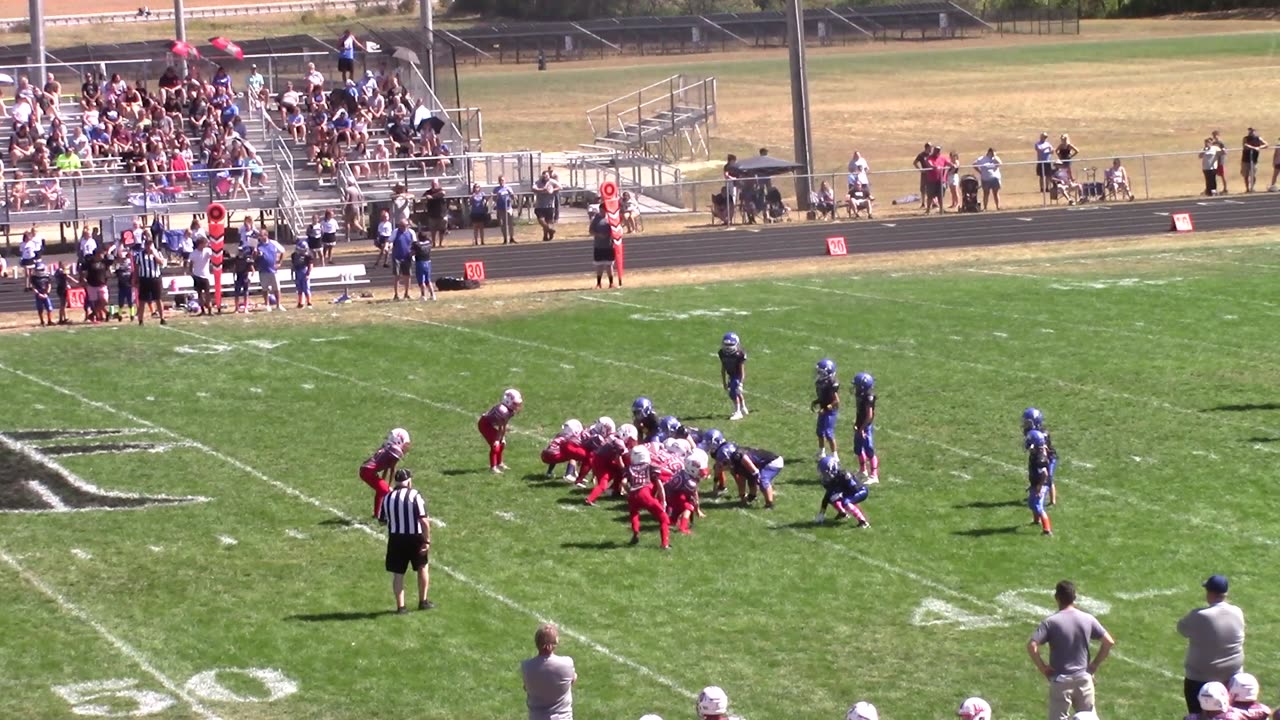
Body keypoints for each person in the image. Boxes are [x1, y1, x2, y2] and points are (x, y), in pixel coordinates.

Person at [1027, 580, 1116, 720]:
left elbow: (1032, 646)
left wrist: (1043, 668)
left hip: (1061, 681)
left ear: (1057, 598)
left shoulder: (1051, 622)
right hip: (1084, 679)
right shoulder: (1088, 618)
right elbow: (1108, 642)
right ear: (1074, 597)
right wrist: (1093, 666)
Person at [1178, 574, 1246, 714]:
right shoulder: (1237, 611)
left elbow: (1182, 629)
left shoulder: (1200, 615)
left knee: (1198, 714)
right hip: (1232, 676)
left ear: (1210, 593)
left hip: (1201, 677)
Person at [378, 468, 434, 614]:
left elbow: (382, 521)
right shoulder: (415, 495)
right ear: (408, 481)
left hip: (396, 538)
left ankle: (401, 607)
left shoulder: (388, 497)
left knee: (398, 573)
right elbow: (424, 521)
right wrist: (427, 540)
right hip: (415, 537)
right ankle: (423, 601)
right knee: (422, 567)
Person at [521, 624, 576, 720]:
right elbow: (573, 679)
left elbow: (526, 687)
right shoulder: (566, 663)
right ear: (556, 642)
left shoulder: (527, 666)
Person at [624, 445, 671, 549]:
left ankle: (636, 531)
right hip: (644, 492)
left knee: (634, 513)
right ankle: (665, 544)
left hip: (633, 493)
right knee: (664, 518)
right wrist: (663, 500)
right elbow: (659, 485)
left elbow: (623, 482)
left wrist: (629, 491)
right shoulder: (650, 467)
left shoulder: (629, 468)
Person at [714, 442, 782, 509]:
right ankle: (752, 496)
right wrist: (742, 496)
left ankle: (769, 504)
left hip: (773, 462)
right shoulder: (734, 460)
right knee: (749, 476)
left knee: (762, 480)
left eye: (724, 462)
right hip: (761, 464)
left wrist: (758, 481)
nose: (723, 465)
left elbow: (755, 472)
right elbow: (741, 480)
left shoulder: (740, 456)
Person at [361, 428, 411, 520]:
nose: (407, 445)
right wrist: (389, 485)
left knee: (382, 490)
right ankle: (382, 515)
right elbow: (392, 468)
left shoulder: (388, 447)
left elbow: (386, 467)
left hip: (366, 469)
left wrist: (384, 482)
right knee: (385, 491)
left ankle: (377, 514)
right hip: (368, 471)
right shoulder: (396, 451)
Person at [814, 456, 870, 527]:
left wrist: (842, 494)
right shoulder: (831, 480)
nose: (824, 476)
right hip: (849, 492)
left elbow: (854, 489)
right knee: (832, 498)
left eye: (825, 474)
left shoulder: (844, 475)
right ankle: (842, 513)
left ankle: (863, 521)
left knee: (846, 501)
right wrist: (822, 513)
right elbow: (827, 497)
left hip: (861, 491)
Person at [479, 389, 522, 474]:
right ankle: (493, 467)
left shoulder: (509, 410)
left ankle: (499, 463)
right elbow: (500, 426)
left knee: (501, 444)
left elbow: (504, 425)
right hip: (485, 425)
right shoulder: (502, 410)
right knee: (495, 446)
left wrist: (502, 438)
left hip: (492, 424)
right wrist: (497, 439)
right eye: (515, 404)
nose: (517, 406)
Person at [132, 234, 167, 326]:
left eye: (150, 244)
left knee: (158, 299)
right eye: (147, 244)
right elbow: (136, 268)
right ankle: (141, 320)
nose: (149, 246)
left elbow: (162, 263)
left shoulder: (157, 253)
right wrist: (135, 279)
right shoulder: (139, 255)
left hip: (155, 278)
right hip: (144, 279)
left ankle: (162, 318)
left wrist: (154, 255)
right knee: (142, 300)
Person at [812, 358, 840, 462]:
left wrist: (826, 408)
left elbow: (836, 401)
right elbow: (823, 396)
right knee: (819, 432)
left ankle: (835, 455)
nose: (818, 374)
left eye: (821, 372)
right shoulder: (821, 382)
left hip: (830, 412)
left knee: (829, 433)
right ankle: (821, 451)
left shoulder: (831, 383)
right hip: (823, 409)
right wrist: (817, 401)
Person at [852, 372, 878, 483]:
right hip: (860, 424)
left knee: (869, 450)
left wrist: (862, 428)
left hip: (865, 426)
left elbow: (869, 415)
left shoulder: (868, 397)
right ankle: (863, 471)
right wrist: (856, 422)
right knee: (858, 449)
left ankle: (874, 475)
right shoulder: (860, 395)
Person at [1026, 429, 1053, 535]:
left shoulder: (1040, 458)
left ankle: (1047, 530)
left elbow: (1044, 474)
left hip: (1042, 484)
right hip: (1036, 483)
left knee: (1038, 505)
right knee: (1031, 503)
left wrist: (1039, 487)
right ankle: (1036, 521)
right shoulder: (1036, 453)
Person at [719, 332, 748, 420]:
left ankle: (738, 412)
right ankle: (743, 407)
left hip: (737, 375)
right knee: (737, 392)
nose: (728, 347)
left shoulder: (739, 355)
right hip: (731, 375)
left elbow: (742, 370)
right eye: (726, 344)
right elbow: (723, 368)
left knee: (733, 393)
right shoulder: (722, 353)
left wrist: (741, 383)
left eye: (730, 344)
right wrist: (724, 382)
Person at [254, 231, 285, 312]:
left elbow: (282, 251)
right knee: (265, 289)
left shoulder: (273, 243)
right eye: (259, 236)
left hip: (273, 270)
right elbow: (254, 257)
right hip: (263, 270)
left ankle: (278, 305)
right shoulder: (257, 245)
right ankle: (267, 305)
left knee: (276, 288)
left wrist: (279, 263)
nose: (260, 237)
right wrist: (255, 254)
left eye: (261, 235)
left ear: (266, 235)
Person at [186, 236, 214, 316]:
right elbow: (191, 264)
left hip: (206, 275)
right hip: (197, 275)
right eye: (205, 243)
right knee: (200, 294)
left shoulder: (208, 251)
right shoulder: (193, 253)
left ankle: (209, 309)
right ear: (200, 244)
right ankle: (202, 310)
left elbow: (213, 257)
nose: (206, 245)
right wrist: (191, 273)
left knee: (207, 294)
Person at [589, 207, 615, 289]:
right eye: (601, 210)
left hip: (609, 245)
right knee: (599, 266)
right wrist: (598, 234)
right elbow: (591, 231)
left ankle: (611, 283)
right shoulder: (596, 219)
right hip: (599, 246)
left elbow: (616, 228)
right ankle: (598, 283)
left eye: (604, 210)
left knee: (609, 265)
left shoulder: (611, 218)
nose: (602, 212)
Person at [390, 218, 414, 301]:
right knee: (397, 276)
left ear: (407, 226)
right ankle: (396, 295)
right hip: (397, 257)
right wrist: (387, 246)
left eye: (404, 226)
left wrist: (413, 253)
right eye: (400, 226)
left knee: (407, 276)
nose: (402, 227)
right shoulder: (396, 232)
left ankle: (407, 293)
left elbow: (414, 243)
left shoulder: (411, 232)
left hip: (407, 257)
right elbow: (390, 241)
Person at [533, 171, 560, 241]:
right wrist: (542, 190)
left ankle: (545, 236)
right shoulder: (538, 182)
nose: (545, 177)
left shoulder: (552, 182)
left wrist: (552, 190)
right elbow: (533, 188)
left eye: (547, 176)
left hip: (549, 205)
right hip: (540, 206)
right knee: (541, 221)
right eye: (544, 176)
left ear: (549, 176)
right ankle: (550, 230)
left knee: (548, 222)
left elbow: (560, 187)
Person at [411, 227, 436, 301]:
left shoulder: (417, 245)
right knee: (428, 280)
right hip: (428, 262)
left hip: (420, 263)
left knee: (421, 280)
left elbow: (412, 252)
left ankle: (423, 295)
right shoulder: (429, 243)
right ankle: (432, 295)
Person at [1240, 128, 1268, 193]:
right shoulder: (1246, 138)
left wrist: (1259, 147)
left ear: (1255, 132)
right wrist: (1254, 148)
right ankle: (1247, 188)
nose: (1250, 133)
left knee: (1253, 174)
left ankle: (1252, 187)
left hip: (1254, 160)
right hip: (1245, 160)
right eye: (1250, 131)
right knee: (1246, 175)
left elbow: (1266, 144)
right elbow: (1245, 145)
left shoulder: (1258, 138)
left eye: (1252, 131)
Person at [493, 175, 516, 244]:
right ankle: (505, 238)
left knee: (510, 224)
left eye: (502, 180)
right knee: (503, 224)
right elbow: (494, 199)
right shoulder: (496, 189)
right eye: (500, 180)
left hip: (508, 208)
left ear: (505, 181)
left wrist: (511, 194)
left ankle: (511, 238)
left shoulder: (508, 188)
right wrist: (497, 195)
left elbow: (514, 198)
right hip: (500, 209)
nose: (501, 182)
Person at [291, 241, 313, 309]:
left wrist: (308, 274)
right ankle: (300, 303)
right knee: (299, 289)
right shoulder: (294, 255)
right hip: (297, 272)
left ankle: (309, 303)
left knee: (306, 288)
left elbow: (310, 265)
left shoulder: (308, 255)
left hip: (304, 271)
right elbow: (293, 264)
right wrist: (292, 272)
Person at [230, 245, 252, 313]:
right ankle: (236, 308)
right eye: (239, 251)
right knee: (237, 293)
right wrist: (233, 277)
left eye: (241, 251)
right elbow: (234, 268)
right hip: (238, 276)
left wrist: (250, 277)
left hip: (245, 276)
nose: (240, 252)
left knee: (245, 293)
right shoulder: (236, 259)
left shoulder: (246, 259)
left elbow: (251, 268)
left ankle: (245, 307)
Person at [30, 261, 53, 327]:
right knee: (40, 308)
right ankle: (42, 321)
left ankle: (50, 320)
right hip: (38, 294)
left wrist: (47, 293)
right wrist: (38, 294)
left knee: (49, 308)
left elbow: (49, 285)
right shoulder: (34, 277)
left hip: (45, 294)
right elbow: (33, 287)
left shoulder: (47, 276)